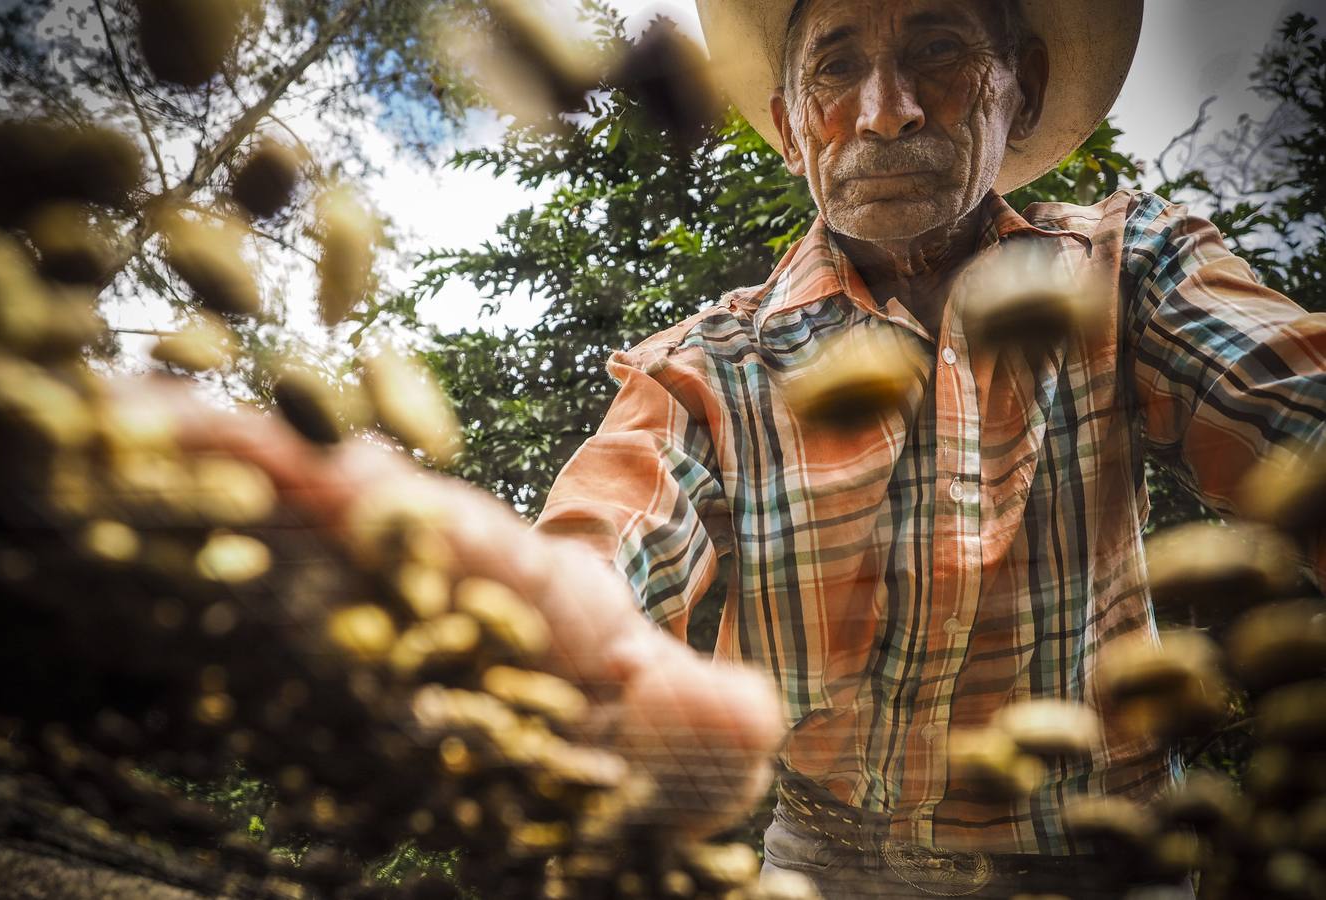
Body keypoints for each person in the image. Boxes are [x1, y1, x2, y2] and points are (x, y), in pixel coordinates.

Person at [528, 0, 1326, 896]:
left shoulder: (1125, 269)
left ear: (1019, 91)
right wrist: (545, 636)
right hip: (825, 862)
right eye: (835, 68)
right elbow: (608, 534)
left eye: (938, 49)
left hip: (1107, 854)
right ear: (791, 128)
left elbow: (1292, 404)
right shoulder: (708, 368)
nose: (885, 111)